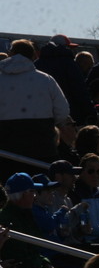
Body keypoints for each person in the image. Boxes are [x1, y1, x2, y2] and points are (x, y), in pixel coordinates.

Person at [0, 39, 70, 172]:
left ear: (10, 54)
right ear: (34, 56)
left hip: (6, 148)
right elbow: (62, 111)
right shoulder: (46, 80)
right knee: (42, 188)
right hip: (42, 146)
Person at [34, 34, 94, 125]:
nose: (71, 50)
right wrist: (90, 111)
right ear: (64, 47)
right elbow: (80, 90)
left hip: (42, 116)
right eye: (69, 47)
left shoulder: (37, 64)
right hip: (70, 115)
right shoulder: (70, 65)